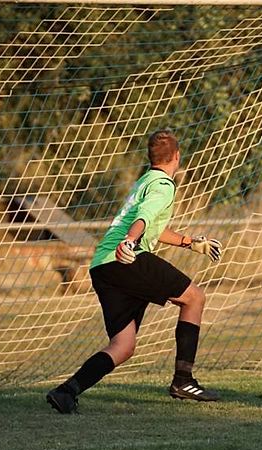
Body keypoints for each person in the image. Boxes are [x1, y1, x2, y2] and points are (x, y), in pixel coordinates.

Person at [47, 128, 224, 414]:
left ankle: (66, 392)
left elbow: (152, 225)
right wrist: (130, 241)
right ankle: (184, 381)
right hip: (126, 258)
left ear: (151, 157)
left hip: (103, 265)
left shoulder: (145, 181)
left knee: (124, 345)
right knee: (195, 298)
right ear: (177, 156)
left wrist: (190, 242)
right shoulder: (164, 185)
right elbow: (143, 218)